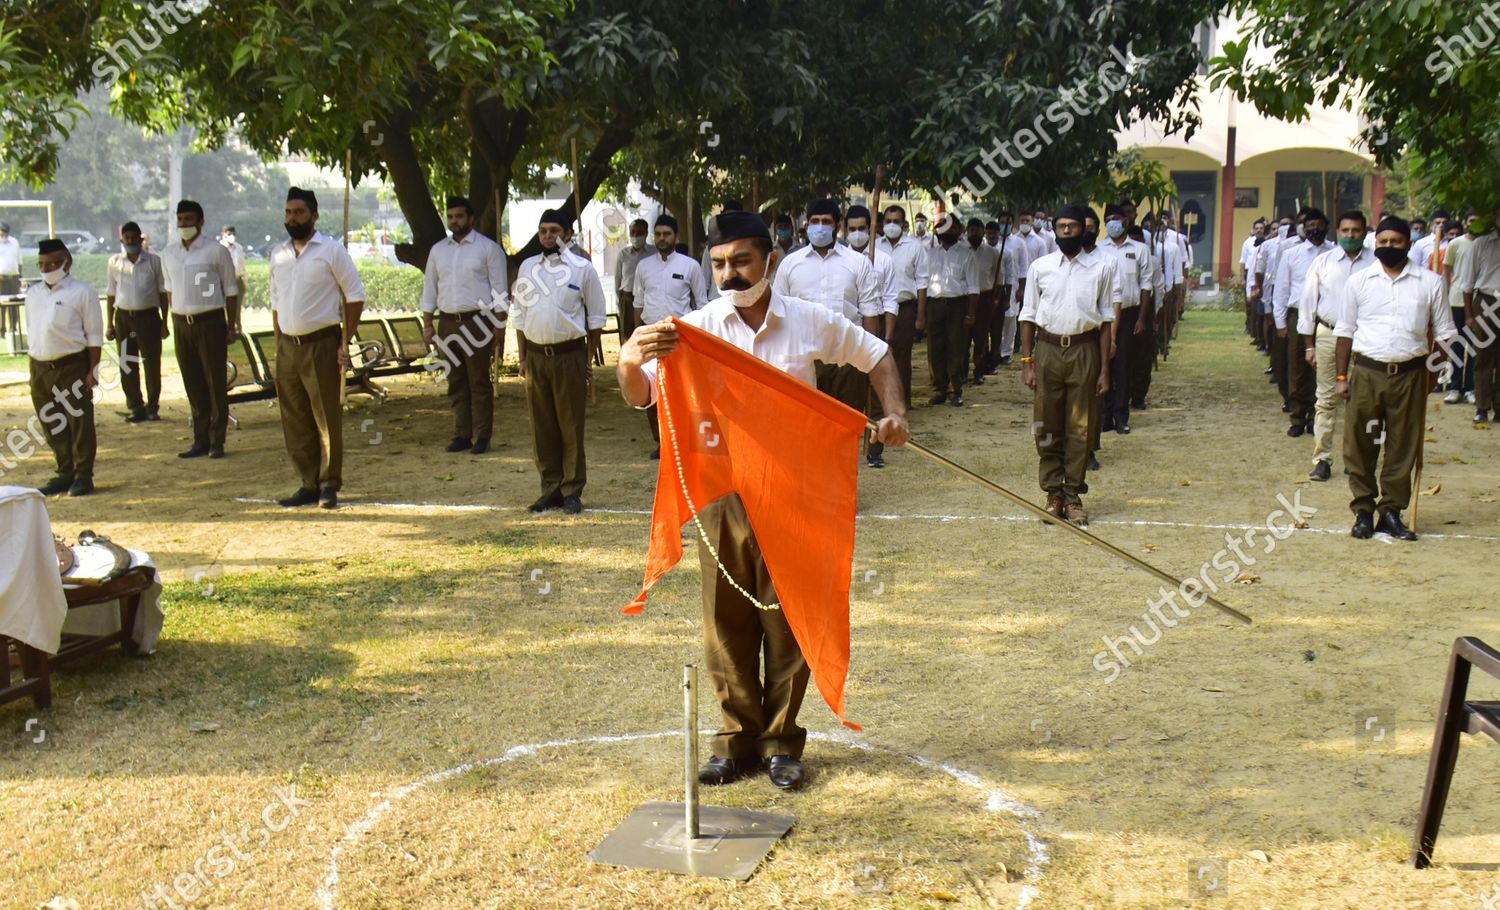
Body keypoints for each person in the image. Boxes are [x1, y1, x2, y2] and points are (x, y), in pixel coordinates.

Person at [616, 210, 910, 791]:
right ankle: (734, 742)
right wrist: (629, 356)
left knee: (788, 617)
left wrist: (896, 412)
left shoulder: (806, 321)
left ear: (769, 261)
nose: (728, 274)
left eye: (741, 261)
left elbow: (877, 354)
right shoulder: (692, 330)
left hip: (795, 491)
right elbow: (641, 394)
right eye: (719, 263)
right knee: (726, 620)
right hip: (723, 491)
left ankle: (780, 742)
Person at [1335, 216, 1455, 540]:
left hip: (1411, 374)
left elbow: (1445, 335)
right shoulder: (1359, 282)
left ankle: (1391, 511)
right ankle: (1362, 510)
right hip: (1366, 372)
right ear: (1376, 243)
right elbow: (1345, 331)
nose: (1388, 247)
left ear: (1409, 244)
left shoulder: (1431, 283)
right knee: (1360, 443)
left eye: (1396, 242)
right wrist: (1342, 376)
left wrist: (1431, 375)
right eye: (1383, 241)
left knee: (1403, 446)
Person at [268, 187, 367, 510]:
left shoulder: (331, 250)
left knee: (325, 416)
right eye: (288, 212)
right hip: (288, 347)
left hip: (322, 344)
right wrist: (278, 342)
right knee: (294, 417)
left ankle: (328, 483)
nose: (292, 218)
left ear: (314, 214)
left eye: (298, 212)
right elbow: (275, 302)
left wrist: (345, 340)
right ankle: (307, 482)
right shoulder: (278, 254)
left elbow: (355, 295)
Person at [1018, 205, 1113, 526]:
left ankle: (1073, 496)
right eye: (1061, 226)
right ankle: (1052, 494)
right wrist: (1027, 362)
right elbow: (1028, 315)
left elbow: (1105, 321)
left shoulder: (1101, 268)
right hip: (1047, 351)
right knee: (1045, 424)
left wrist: (1104, 369)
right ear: (1055, 229)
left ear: (1085, 230)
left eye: (1074, 226)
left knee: (1080, 427)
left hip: (1084, 350)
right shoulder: (1040, 267)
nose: (1068, 231)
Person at [510, 208, 605, 513]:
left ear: (567, 234)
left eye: (554, 230)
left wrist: (588, 357)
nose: (548, 236)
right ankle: (550, 488)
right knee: (542, 426)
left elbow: (596, 318)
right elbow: (520, 316)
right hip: (537, 357)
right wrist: (523, 358)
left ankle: (572, 489)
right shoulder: (526, 268)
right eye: (543, 231)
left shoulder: (582, 268)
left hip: (569, 356)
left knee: (570, 424)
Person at [771, 200, 883, 413]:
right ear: (806, 225)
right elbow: (777, 310)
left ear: (837, 226)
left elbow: (870, 312)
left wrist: (870, 358)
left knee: (848, 420)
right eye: (815, 221)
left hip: (848, 357)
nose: (819, 226)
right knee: (808, 420)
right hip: (804, 357)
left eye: (826, 222)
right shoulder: (789, 265)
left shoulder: (858, 263)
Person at [420, 196, 510, 456]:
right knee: (455, 380)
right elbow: (430, 288)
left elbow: (500, 291)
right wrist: (428, 323)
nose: (454, 221)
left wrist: (500, 326)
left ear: (471, 218)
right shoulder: (438, 251)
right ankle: (462, 433)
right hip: (447, 321)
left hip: (478, 321)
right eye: (450, 217)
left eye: (459, 216)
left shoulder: (488, 249)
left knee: (479, 380)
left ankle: (483, 435)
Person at [160, 199, 240, 459]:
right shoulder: (169, 253)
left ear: (201, 221)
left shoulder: (216, 251)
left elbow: (230, 290)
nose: (184, 224)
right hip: (182, 322)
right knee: (192, 382)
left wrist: (232, 325)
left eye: (189, 219)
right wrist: (175, 319)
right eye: (180, 220)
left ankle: (217, 440)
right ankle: (200, 439)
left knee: (214, 382)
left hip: (210, 321)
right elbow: (170, 291)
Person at [1298, 210, 1374, 481]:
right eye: (1346, 231)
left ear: (1364, 233)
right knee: (1326, 399)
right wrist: (1309, 345)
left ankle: (1356, 459)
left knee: (1362, 402)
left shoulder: (1375, 264)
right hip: (1328, 336)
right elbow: (1308, 303)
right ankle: (1322, 459)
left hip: (1364, 338)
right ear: (1338, 232)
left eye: (1356, 231)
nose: (1350, 235)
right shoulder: (1323, 262)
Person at [26, 238, 103, 496]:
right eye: (42, 265)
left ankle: (83, 475)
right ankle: (64, 471)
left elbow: (94, 335)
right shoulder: (33, 293)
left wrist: (93, 369)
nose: (47, 269)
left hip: (71, 365)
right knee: (50, 422)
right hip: (40, 368)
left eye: (52, 264)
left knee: (79, 421)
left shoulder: (82, 293)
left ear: (67, 262)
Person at [632, 213, 709, 457]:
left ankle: (682, 438)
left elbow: (702, 302)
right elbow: (638, 303)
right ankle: (661, 442)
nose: (662, 238)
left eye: (667, 234)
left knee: (683, 389)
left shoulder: (690, 266)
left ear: (676, 236)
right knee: (650, 387)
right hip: (651, 334)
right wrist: (635, 334)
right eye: (658, 235)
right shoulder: (643, 266)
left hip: (681, 336)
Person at [845, 205, 899, 467]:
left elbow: (890, 299)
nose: (857, 234)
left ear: (870, 229)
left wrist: (885, 338)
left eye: (861, 229)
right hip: (846, 338)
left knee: (875, 394)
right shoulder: (842, 261)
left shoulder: (884, 260)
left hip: (873, 334)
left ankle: (875, 449)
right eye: (852, 229)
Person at [1274, 208, 1333, 437]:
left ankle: (1314, 416)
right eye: (1310, 226)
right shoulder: (1292, 254)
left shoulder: (1334, 253)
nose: (1314, 229)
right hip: (1297, 315)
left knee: (1322, 367)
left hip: (1326, 317)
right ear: (1303, 229)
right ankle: (1297, 416)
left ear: (1327, 226)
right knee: (1298, 368)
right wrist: (1280, 322)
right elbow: (1282, 289)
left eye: (1319, 225)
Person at [105, 221, 168, 423]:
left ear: (141, 239)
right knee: (127, 364)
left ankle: (152, 407)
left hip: (148, 318)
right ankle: (135, 406)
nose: (131, 241)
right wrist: (109, 324)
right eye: (127, 238)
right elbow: (110, 294)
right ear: (121, 239)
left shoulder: (153, 262)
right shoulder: (114, 262)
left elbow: (163, 293)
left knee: (151, 363)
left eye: (134, 238)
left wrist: (165, 322)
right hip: (123, 317)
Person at [1096, 203, 1149, 435]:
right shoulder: (1098, 248)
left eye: (1116, 218)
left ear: (1126, 220)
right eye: (1108, 219)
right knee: (1103, 363)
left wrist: (1142, 318)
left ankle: (1121, 416)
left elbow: (1146, 285)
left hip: (1128, 314)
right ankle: (1105, 415)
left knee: (1123, 366)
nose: (1112, 223)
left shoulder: (1139, 249)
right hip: (1103, 314)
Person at [919, 214, 979, 406]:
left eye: (952, 229)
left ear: (958, 231)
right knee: (935, 347)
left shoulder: (966, 254)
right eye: (944, 229)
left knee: (956, 347)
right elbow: (922, 282)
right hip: (934, 304)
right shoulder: (929, 254)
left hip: (957, 305)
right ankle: (939, 389)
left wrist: (970, 313)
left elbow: (973, 287)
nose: (948, 232)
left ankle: (955, 390)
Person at [876, 204, 929, 408]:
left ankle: (902, 403)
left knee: (901, 357)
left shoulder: (914, 247)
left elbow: (922, 283)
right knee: (876, 355)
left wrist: (920, 316)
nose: (891, 225)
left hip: (904, 308)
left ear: (903, 224)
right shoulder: (875, 246)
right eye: (888, 221)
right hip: (877, 310)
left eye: (896, 221)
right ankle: (879, 403)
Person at [1458, 204, 1500, 424]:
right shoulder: (1481, 244)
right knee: (1483, 356)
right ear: (1495, 216)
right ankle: (1482, 407)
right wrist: (1469, 315)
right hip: (1486, 302)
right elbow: (1467, 283)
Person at [1441, 213, 1479, 404]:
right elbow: (1447, 270)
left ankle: (1470, 388)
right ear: (1465, 223)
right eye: (1471, 220)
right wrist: (1446, 295)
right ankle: (1454, 387)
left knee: (1474, 346)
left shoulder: (1485, 243)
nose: (1474, 223)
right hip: (1456, 300)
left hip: (1477, 301)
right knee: (1456, 345)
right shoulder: (1455, 244)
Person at [965, 217, 1001, 387]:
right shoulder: (962, 250)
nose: (974, 233)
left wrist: (995, 299)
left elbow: (998, 277)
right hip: (964, 299)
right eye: (971, 230)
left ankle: (979, 371)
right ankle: (961, 373)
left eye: (978, 231)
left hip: (985, 297)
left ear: (982, 232)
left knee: (981, 337)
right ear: (967, 231)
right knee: (962, 338)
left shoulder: (992, 252)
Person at [616, 218, 648, 347]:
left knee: (644, 332)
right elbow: (617, 279)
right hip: (627, 298)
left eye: (639, 232)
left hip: (646, 298)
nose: (635, 236)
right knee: (627, 334)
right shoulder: (623, 254)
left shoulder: (653, 253)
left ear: (646, 233)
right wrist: (619, 302)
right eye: (632, 232)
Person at [219, 226, 248, 300]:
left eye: (233, 234)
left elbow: (242, 266)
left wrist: (244, 283)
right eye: (229, 234)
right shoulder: (218, 248)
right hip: (223, 282)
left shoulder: (239, 248)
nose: (232, 236)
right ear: (223, 234)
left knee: (236, 309)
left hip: (237, 281)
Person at [0, 223, 21, 295]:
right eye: (2, 234)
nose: (4, 237)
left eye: (6, 234)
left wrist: (20, 276)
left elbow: (19, 260)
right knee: (2, 301)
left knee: (14, 301)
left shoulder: (14, 242)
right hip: (2, 278)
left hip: (14, 278)